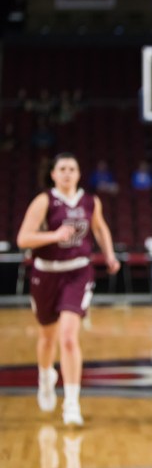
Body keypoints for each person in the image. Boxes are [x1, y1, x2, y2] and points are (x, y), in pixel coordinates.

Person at [16, 152, 120, 426]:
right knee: (47, 339)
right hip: (46, 273)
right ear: (53, 174)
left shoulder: (89, 201)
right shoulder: (44, 201)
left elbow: (100, 229)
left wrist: (109, 255)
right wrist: (54, 235)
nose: (66, 173)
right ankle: (45, 375)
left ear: (78, 173)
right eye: (61, 169)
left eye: (71, 169)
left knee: (69, 338)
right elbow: (23, 238)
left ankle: (72, 403)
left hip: (78, 272)